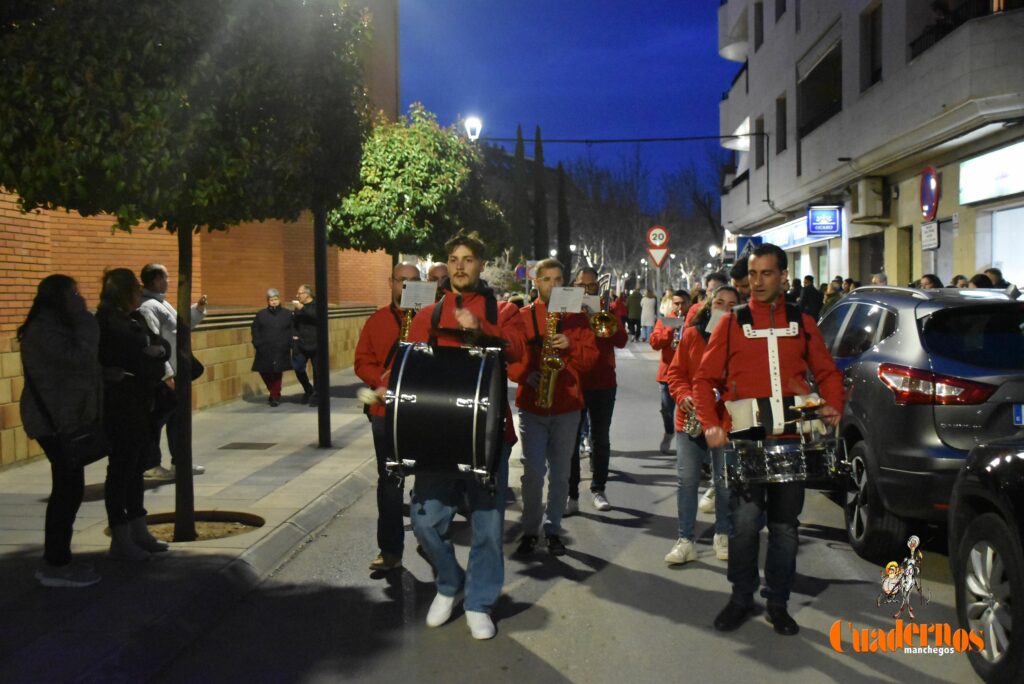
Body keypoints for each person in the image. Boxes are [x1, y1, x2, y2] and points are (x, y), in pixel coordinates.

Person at [694, 243, 843, 636]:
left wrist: (833, 403)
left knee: (785, 528)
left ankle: (778, 602)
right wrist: (711, 423)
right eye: (753, 274)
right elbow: (704, 379)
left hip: (792, 437)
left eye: (766, 274)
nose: (757, 282)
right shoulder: (730, 323)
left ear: (783, 277)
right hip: (745, 438)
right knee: (744, 525)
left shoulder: (803, 321)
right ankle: (741, 597)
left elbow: (827, 372)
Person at [405, 232, 527, 640]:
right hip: (438, 435)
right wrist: (385, 388)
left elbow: (519, 355)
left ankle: (479, 602)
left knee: (488, 528)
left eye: (468, 259)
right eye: (454, 259)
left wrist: (480, 330)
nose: (459, 265)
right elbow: (408, 368)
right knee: (425, 520)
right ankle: (449, 582)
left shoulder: (504, 311)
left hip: (488, 436)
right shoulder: (428, 315)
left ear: (480, 265)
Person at [19, 275, 104, 587]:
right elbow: (80, 359)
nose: (79, 298)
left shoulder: (53, 326)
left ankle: (59, 559)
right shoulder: (45, 329)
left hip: (64, 416)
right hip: (53, 421)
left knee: (69, 489)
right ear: (58, 298)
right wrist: (86, 319)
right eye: (73, 293)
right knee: (67, 491)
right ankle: (55, 565)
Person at [510, 258, 597, 556]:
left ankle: (553, 528)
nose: (553, 285)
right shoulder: (522, 316)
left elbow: (590, 361)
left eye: (558, 279)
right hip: (533, 406)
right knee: (533, 472)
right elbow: (511, 358)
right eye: (547, 279)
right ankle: (530, 530)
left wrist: (570, 345)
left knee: (560, 475)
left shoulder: (577, 317)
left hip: (567, 406)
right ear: (536, 282)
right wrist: (525, 375)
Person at [96, 268, 172, 561]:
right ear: (123, 292)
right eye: (135, 288)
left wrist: (156, 352)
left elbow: (162, 345)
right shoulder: (107, 322)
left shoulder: (135, 318)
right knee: (121, 469)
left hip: (143, 401)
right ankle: (121, 537)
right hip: (120, 405)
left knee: (137, 466)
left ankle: (139, 530)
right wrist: (148, 353)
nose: (140, 292)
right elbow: (129, 358)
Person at [664, 285, 739, 567]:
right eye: (719, 303)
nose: (725, 309)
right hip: (691, 421)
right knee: (687, 481)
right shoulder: (693, 334)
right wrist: (683, 395)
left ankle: (723, 534)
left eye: (732, 305)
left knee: (724, 482)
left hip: (725, 421)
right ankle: (685, 540)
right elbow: (676, 373)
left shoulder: (743, 339)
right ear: (710, 305)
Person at [353, 262, 421, 572]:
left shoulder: (433, 321)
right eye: (401, 280)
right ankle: (390, 550)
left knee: (428, 479)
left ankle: (429, 537)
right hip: (385, 411)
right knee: (390, 482)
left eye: (413, 280)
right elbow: (362, 360)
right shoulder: (377, 320)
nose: (406, 286)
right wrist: (379, 382)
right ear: (391, 282)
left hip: (423, 412)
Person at [137, 263, 207, 479]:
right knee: (157, 420)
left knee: (178, 420)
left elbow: (179, 327)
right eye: (165, 277)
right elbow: (153, 342)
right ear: (156, 279)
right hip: (167, 374)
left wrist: (197, 310)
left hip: (176, 371)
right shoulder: (148, 307)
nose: (168, 281)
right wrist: (166, 373)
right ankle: (151, 464)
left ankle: (180, 462)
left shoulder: (161, 303)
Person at [568, 268, 628, 514]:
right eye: (581, 285)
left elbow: (621, 340)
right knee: (571, 440)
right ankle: (571, 494)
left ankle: (598, 488)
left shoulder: (607, 309)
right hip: (575, 382)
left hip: (604, 382)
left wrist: (602, 316)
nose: (586, 290)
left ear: (597, 288)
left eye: (591, 286)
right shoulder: (567, 310)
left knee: (600, 438)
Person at [649, 290, 691, 455]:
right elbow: (654, 343)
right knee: (667, 409)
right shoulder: (666, 320)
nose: (679, 307)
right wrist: (670, 330)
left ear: (689, 303)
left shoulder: (694, 319)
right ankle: (668, 432)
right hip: (668, 374)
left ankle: (686, 444)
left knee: (687, 411)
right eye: (676, 303)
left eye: (683, 303)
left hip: (688, 374)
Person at [251, 288, 293, 407]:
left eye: (275, 299)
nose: (274, 302)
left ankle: (274, 396)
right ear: (268, 301)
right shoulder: (261, 314)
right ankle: (274, 391)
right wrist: (257, 343)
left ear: (279, 300)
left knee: (277, 372)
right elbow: (255, 329)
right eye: (271, 300)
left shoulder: (287, 314)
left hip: (281, 347)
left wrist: (289, 342)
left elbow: (292, 329)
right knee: (264, 370)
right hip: (264, 348)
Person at [291, 284, 319, 403]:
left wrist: (302, 308)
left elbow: (316, 316)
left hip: (316, 343)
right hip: (301, 343)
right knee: (297, 367)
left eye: (300, 293)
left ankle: (317, 395)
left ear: (307, 294)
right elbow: (294, 323)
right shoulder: (298, 307)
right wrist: (294, 335)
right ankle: (308, 389)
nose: (297, 295)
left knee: (318, 371)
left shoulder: (316, 305)